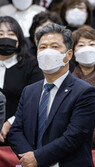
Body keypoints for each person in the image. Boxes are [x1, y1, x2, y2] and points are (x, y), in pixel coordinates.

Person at [8, 23, 95, 167]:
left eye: (55, 47)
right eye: (42, 47)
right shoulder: (29, 91)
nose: (47, 52)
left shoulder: (85, 92)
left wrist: (38, 158)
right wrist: (29, 158)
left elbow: (74, 136)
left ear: (69, 54)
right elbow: (15, 130)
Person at [0, 16, 43, 144]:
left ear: (19, 39)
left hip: (20, 133)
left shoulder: (32, 65)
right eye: (0, 34)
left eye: (11, 34)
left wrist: (8, 124)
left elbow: (35, 101)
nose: (5, 37)